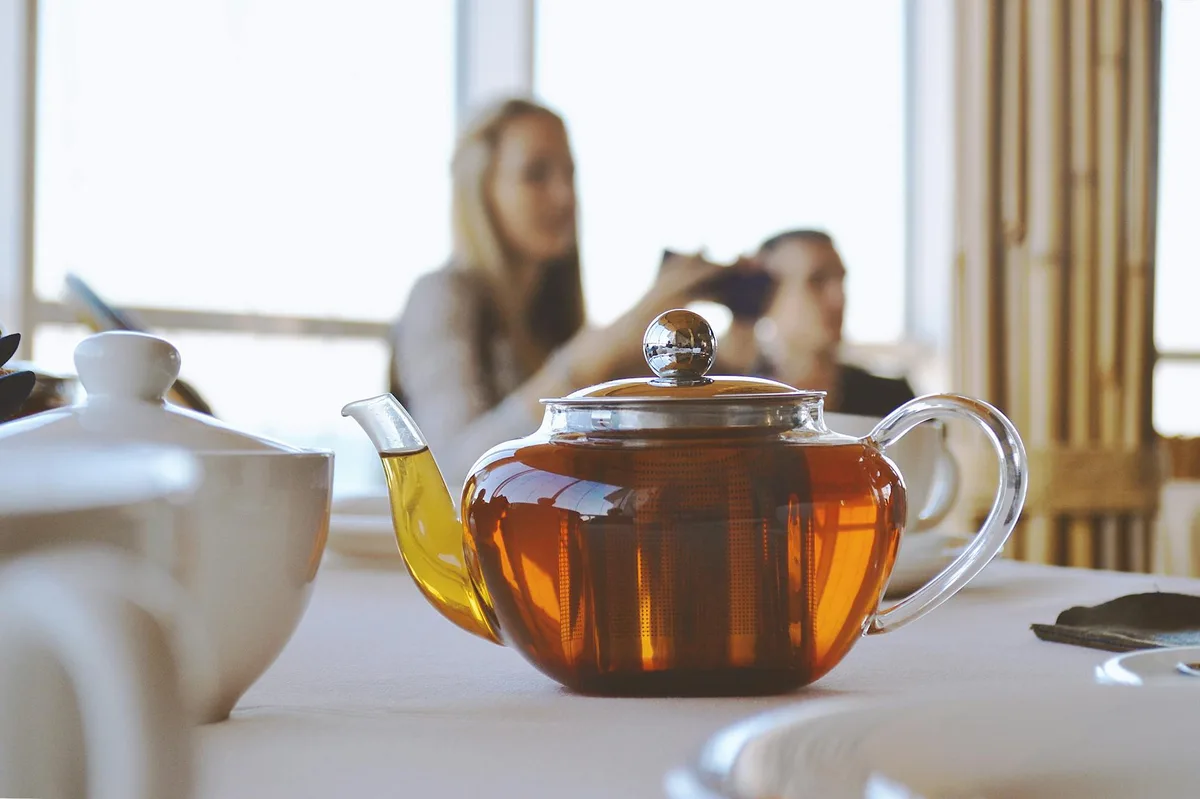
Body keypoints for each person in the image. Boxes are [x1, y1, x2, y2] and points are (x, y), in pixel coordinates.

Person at [389, 98, 722, 489]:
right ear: (481, 189)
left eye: (569, 173)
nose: (565, 196)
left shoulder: (548, 313)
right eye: (536, 174)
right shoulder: (441, 296)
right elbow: (451, 471)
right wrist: (588, 360)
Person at [729, 229, 916, 417]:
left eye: (840, 279)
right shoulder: (733, 399)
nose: (839, 298)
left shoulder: (894, 402)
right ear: (765, 295)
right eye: (816, 280)